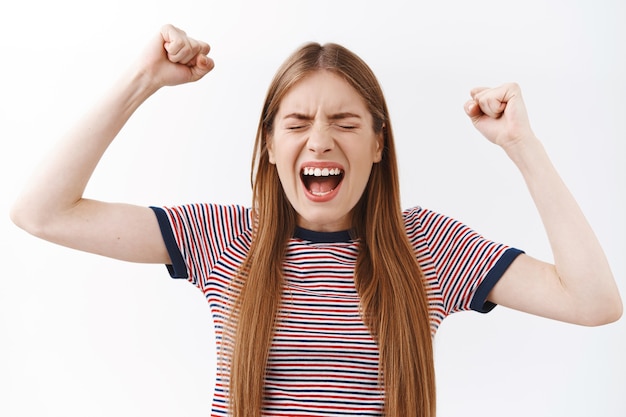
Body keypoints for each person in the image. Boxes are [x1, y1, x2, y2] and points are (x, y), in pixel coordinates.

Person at [10, 24, 622, 417]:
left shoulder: (431, 247)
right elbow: (41, 212)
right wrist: (142, 79)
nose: (320, 142)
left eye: (347, 124)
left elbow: (594, 301)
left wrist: (522, 144)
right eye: (297, 125)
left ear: (379, 145)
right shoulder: (221, 239)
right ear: (271, 146)